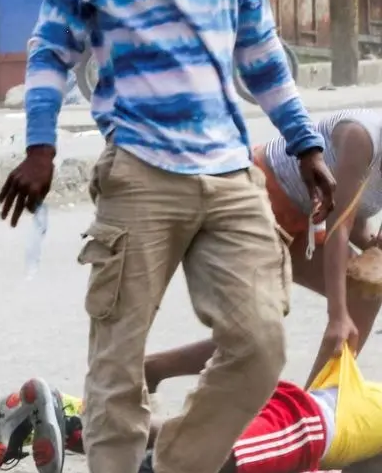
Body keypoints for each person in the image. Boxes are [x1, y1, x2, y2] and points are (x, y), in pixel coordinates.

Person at [0, 0, 337, 473]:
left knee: (260, 342)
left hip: (227, 170)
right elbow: (50, 50)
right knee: (116, 364)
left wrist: (304, 143)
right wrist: (39, 147)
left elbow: (259, 48)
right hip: (141, 173)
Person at [147, 109, 382, 396]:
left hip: (304, 218)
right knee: (256, 334)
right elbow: (338, 227)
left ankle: (314, 409)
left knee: (366, 290)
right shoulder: (362, 137)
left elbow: (356, 215)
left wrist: (372, 245)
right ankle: (153, 368)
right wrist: (337, 314)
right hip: (255, 198)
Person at [0, 353, 382, 473]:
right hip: (308, 426)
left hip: (302, 408)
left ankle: (67, 416)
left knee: (180, 438)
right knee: (195, 457)